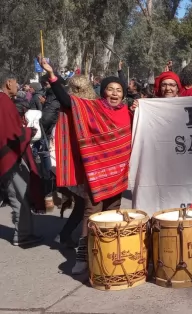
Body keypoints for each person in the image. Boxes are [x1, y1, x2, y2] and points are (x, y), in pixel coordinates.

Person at [40, 58, 135, 274]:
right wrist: (52, 75)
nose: (114, 93)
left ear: (123, 94)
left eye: (118, 90)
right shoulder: (92, 108)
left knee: (113, 214)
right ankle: (83, 256)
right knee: (91, 215)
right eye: (110, 89)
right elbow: (66, 101)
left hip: (119, 175)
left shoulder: (127, 111)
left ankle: (109, 254)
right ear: (102, 92)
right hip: (96, 175)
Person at [0, 69, 44, 246]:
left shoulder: (5, 101)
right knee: (20, 196)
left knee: (19, 195)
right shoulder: (4, 102)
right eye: (16, 82)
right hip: (11, 158)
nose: (18, 85)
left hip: (10, 156)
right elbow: (10, 133)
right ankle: (22, 235)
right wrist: (29, 131)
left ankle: (24, 232)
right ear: (8, 82)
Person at [55, 74, 98, 248]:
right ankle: (76, 239)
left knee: (84, 204)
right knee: (84, 204)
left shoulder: (89, 105)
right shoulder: (74, 105)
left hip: (87, 159)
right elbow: (64, 99)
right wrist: (52, 78)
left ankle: (68, 236)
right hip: (79, 161)